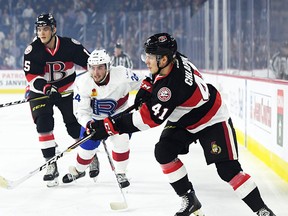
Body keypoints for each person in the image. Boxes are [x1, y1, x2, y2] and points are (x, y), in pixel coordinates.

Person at [83, 33, 276, 216]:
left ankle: (262, 210)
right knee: (163, 152)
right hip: (183, 119)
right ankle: (190, 200)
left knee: (228, 170)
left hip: (211, 119)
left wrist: (108, 126)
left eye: (150, 57)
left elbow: (147, 119)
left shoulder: (170, 88)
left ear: (164, 59)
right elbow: (154, 80)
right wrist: (147, 86)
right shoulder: (173, 59)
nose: (146, 61)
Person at [23, 13, 99, 187]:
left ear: (54, 29)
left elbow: (91, 64)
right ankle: (50, 163)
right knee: (44, 125)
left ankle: (90, 155)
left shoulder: (70, 46)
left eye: (46, 29)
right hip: (40, 92)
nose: (42, 33)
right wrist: (47, 88)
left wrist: (96, 83)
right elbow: (31, 76)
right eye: (39, 29)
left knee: (74, 127)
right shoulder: (32, 50)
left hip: (66, 90)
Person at [62, 49, 145, 188]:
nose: (96, 72)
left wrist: (145, 94)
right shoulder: (83, 82)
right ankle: (79, 171)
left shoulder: (122, 75)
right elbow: (81, 111)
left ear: (108, 67)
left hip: (119, 117)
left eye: (100, 67)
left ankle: (121, 173)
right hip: (95, 120)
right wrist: (89, 124)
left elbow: (144, 83)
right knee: (86, 150)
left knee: (122, 140)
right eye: (92, 68)